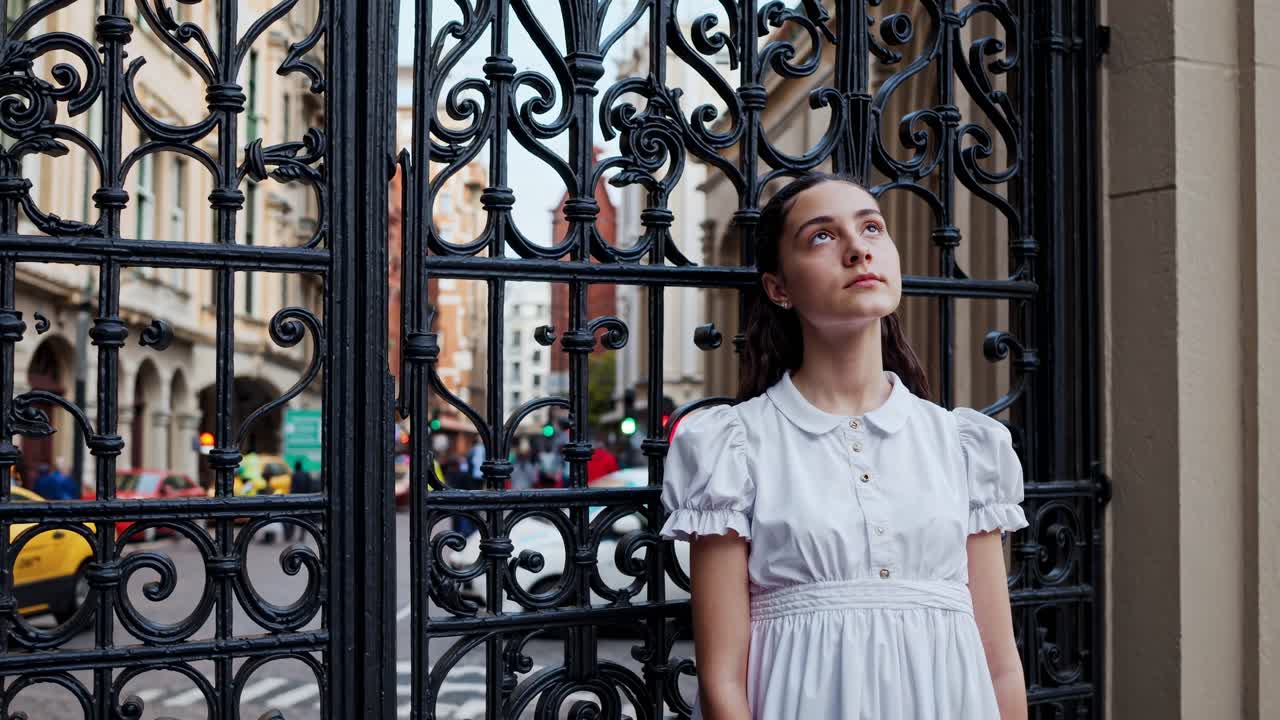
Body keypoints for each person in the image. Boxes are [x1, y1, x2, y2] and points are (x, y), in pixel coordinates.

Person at [659, 174, 1029, 720]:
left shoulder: (964, 446)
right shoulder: (733, 447)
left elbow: (1001, 665)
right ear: (778, 287)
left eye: (871, 227)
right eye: (822, 237)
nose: (858, 248)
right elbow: (721, 681)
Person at [283, 461, 312, 542]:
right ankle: (302, 536)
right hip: (305, 499)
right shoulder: (306, 474)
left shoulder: (294, 475)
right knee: (304, 518)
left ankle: (290, 536)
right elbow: (309, 487)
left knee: (293, 518)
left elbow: (292, 488)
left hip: (295, 499)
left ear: (296, 467)